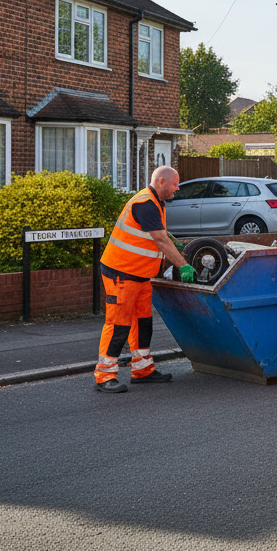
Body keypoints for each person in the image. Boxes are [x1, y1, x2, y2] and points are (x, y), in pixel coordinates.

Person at [94, 166, 195, 394]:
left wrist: (175, 243)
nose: (177, 188)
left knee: (143, 322)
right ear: (161, 182)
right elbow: (159, 239)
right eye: (175, 184)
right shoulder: (145, 203)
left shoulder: (156, 201)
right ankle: (104, 375)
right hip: (121, 273)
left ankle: (142, 370)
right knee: (118, 324)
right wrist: (183, 265)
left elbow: (159, 233)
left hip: (139, 274)